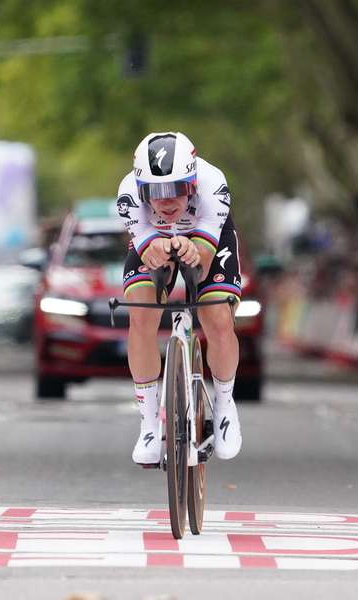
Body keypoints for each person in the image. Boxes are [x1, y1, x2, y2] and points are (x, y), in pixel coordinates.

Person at [118, 131, 243, 464]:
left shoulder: (214, 183)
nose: (167, 200)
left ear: (192, 183)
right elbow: (146, 250)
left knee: (217, 317)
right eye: (155, 193)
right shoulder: (127, 195)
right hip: (154, 237)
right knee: (140, 315)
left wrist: (194, 251)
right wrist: (152, 249)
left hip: (207, 234)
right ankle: (148, 422)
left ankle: (225, 405)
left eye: (176, 189)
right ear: (141, 188)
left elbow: (202, 260)